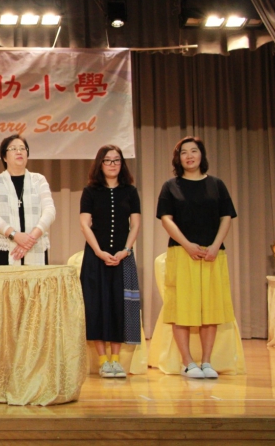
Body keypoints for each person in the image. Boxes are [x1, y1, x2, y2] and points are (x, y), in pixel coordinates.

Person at [156, 136, 237, 379]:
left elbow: (226, 217)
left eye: (194, 151)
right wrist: (187, 245)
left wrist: (215, 246)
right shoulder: (171, 186)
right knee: (182, 309)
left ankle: (207, 362)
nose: (189, 156)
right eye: (184, 152)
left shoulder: (216, 184)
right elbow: (166, 219)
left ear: (202, 155)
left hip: (213, 254)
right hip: (182, 253)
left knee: (210, 309)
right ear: (178, 158)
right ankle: (187, 362)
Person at [79, 145, 141, 378]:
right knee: (95, 306)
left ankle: (116, 360)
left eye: (117, 160)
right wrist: (98, 251)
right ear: (100, 164)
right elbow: (85, 224)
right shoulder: (90, 191)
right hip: (96, 258)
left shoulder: (130, 191)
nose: (112, 164)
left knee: (119, 306)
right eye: (108, 160)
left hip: (122, 258)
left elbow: (135, 224)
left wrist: (126, 250)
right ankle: (103, 360)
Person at [0, 134, 55, 265]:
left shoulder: (39, 180)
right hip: (3, 249)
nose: (19, 151)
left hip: (34, 244)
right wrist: (14, 235)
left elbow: (49, 211)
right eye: (13, 149)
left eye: (22, 148)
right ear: (4, 157)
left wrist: (29, 239)